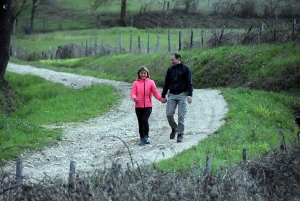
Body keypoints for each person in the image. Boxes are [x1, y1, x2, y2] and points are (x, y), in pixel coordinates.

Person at [161, 53, 193, 143]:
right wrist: (163, 95)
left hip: (182, 94)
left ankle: (180, 134)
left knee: (181, 116)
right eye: (171, 60)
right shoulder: (170, 69)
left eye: (173, 60)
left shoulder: (186, 69)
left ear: (178, 59)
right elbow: (166, 83)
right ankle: (174, 128)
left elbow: (189, 83)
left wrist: (190, 95)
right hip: (171, 94)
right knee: (169, 114)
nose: (171, 61)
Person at [131, 66, 164, 146]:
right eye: (141, 73)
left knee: (144, 120)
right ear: (139, 74)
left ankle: (146, 137)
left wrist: (161, 99)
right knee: (140, 122)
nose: (143, 75)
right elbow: (133, 93)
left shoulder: (151, 82)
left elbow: (155, 93)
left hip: (148, 106)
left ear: (147, 74)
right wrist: (134, 98)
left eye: (144, 73)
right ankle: (142, 138)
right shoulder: (135, 83)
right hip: (138, 106)